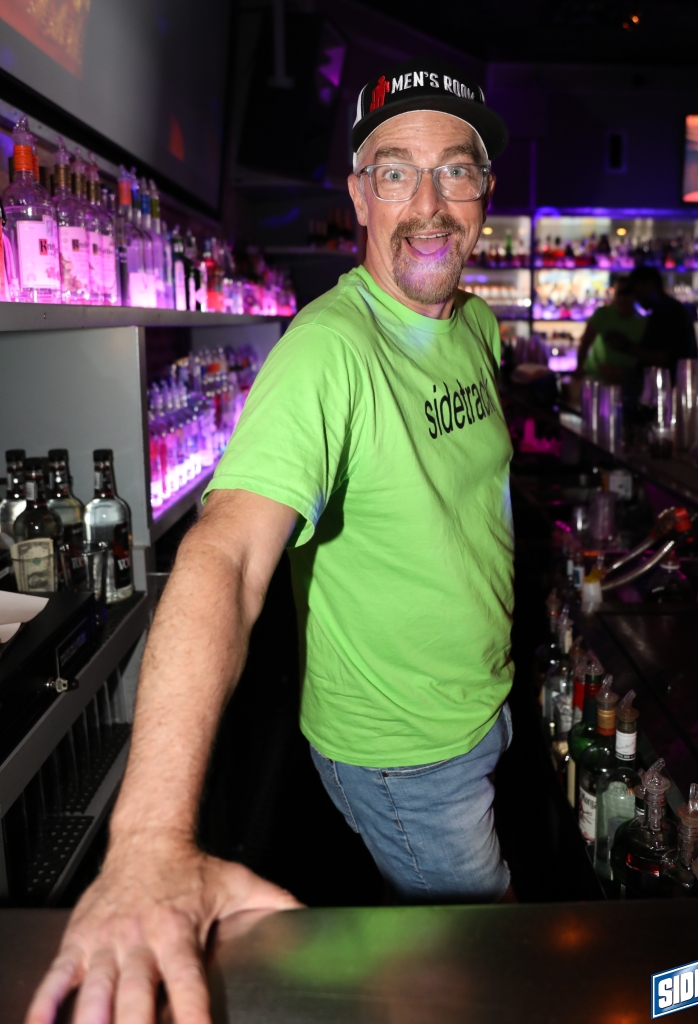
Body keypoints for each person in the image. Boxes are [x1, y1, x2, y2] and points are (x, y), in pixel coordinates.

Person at [27, 59, 514, 1024]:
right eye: (394, 172)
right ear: (358, 197)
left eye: (454, 171)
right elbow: (227, 555)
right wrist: (149, 842)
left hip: (480, 707)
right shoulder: (327, 351)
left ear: (484, 191)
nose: (427, 205)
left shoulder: (475, 325)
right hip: (406, 752)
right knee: (478, 974)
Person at [627, 265, 698, 377]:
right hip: (675, 380)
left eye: (638, 294)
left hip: (667, 382)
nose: (636, 299)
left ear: (650, 285)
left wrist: (625, 346)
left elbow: (662, 357)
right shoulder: (671, 308)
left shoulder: (666, 312)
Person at [575, 277, 645, 384]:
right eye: (619, 294)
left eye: (627, 293)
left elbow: (643, 355)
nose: (622, 299)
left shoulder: (641, 321)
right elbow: (585, 342)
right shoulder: (603, 314)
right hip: (596, 378)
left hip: (626, 382)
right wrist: (579, 369)